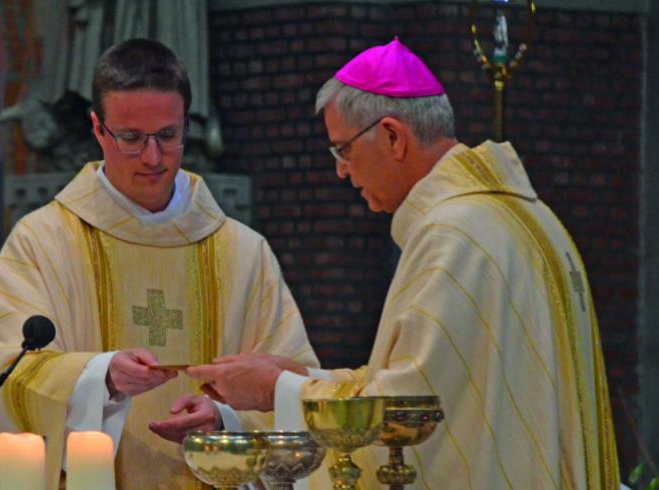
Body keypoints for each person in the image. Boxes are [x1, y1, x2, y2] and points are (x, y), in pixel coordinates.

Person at [187, 38, 621, 488]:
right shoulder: (530, 216)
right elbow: (436, 382)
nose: (340, 171)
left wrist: (273, 389)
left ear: (393, 136)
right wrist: (302, 377)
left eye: (343, 150)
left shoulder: (455, 234)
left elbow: (407, 413)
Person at [0, 39, 318, 489]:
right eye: (131, 138)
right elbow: (15, 375)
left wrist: (224, 420)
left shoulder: (244, 252)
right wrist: (101, 378)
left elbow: (297, 386)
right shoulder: (41, 243)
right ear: (98, 129)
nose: (153, 157)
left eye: (168, 135)